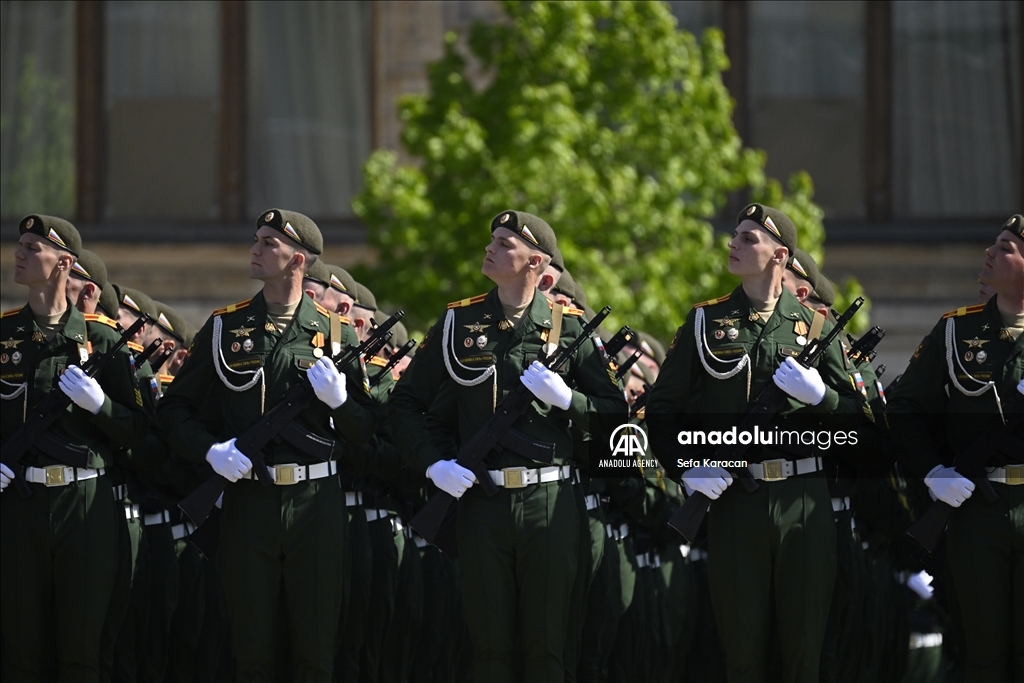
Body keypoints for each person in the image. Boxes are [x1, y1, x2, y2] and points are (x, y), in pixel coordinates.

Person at [389, 209, 626, 682]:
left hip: (549, 504)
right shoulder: (459, 323)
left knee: (546, 650)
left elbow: (614, 413)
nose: (490, 248)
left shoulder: (569, 327)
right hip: (483, 502)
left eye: (504, 243)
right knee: (490, 651)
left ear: (536, 264)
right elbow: (406, 405)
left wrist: (567, 398)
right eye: (492, 239)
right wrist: (435, 464)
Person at [158, 208, 377, 680]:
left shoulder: (336, 334)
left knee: (314, 652)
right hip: (247, 502)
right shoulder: (224, 328)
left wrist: (341, 402)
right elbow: (174, 410)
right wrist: (211, 451)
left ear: (298, 260)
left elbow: (368, 432)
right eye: (256, 240)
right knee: (253, 650)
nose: (255, 250)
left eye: (268, 244)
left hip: (314, 503)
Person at [646, 203, 861, 681]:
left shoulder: (818, 327)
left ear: (780, 255)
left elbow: (865, 422)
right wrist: (687, 467)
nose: (734, 243)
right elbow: (661, 409)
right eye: (735, 235)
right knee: (742, 655)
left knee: (803, 654)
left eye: (749, 238)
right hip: (734, 502)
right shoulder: (706, 322)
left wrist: (822, 397)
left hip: (802, 499)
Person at [1, 214, 148, 682]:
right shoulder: (4, 338)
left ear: (64, 262)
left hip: (84, 505)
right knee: (20, 652)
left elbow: (142, 433)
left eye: (32, 248)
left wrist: (102, 405)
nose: (18, 255)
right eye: (19, 245)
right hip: (18, 504)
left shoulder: (102, 341)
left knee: (80, 654)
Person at [887, 214, 1024, 682]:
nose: (989, 252)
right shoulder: (956, 332)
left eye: (1006, 247)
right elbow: (903, 408)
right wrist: (932, 471)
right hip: (976, 512)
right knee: (980, 657)